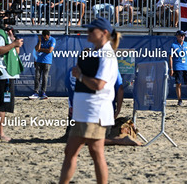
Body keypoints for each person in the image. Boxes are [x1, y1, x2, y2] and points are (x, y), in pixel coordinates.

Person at [60, 17, 120, 184]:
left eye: (92, 30)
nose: (88, 32)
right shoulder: (96, 52)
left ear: (104, 33)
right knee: (72, 151)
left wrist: (80, 76)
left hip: (95, 111)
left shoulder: (106, 55)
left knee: (95, 152)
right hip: (85, 111)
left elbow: (99, 85)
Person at [0, 25, 24, 141]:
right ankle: (0, 134)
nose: (10, 30)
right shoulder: (0, 34)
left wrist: (14, 41)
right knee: (2, 106)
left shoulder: (7, 36)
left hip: (6, 73)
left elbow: (16, 52)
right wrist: (13, 44)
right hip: (4, 73)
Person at [29, 30, 56, 100]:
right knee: (37, 77)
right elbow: (37, 49)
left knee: (45, 77)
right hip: (39, 60)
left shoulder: (52, 40)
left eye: (46, 38)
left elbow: (50, 50)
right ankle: (36, 92)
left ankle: (43, 92)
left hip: (47, 61)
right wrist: (40, 41)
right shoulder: (41, 39)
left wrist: (41, 50)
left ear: (49, 35)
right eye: (44, 38)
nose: (45, 39)